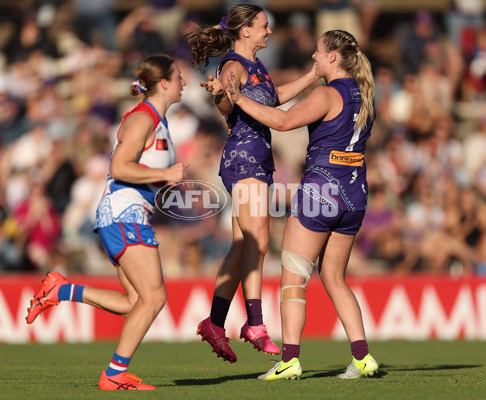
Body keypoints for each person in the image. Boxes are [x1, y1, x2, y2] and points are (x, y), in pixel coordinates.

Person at [25, 54, 188, 390]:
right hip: (124, 212)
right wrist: (165, 173)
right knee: (154, 298)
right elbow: (118, 167)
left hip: (123, 213)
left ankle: (61, 289)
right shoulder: (144, 118)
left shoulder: (155, 118)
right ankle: (114, 373)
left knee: (135, 302)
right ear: (165, 83)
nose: (184, 82)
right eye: (180, 77)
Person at [225, 29, 379, 380]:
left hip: (322, 190)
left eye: (318, 52)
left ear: (333, 58)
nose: (313, 56)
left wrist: (239, 99)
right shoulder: (365, 93)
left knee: (293, 279)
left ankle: (290, 360)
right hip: (355, 194)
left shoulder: (328, 94)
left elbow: (283, 121)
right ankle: (362, 357)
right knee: (335, 278)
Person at [185, 3, 320, 363]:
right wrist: (219, 94)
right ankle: (255, 323)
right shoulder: (233, 66)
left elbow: (273, 101)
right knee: (258, 240)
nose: (269, 31)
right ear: (246, 31)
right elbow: (227, 107)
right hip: (244, 160)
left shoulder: (255, 67)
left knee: (243, 244)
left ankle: (215, 322)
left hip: (256, 160)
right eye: (264, 26)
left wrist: (311, 77)